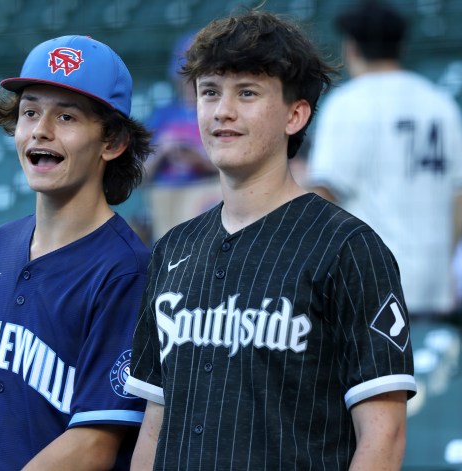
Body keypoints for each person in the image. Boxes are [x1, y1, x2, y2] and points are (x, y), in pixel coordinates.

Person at [125, 9, 416, 471]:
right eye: (210, 92)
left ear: (295, 114)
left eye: (247, 92)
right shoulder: (172, 249)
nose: (223, 111)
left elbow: (384, 435)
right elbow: (155, 424)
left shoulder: (350, 247)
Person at [0, 35, 151, 470]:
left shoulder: (125, 270)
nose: (41, 129)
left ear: (112, 142)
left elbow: (95, 442)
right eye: (30, 112)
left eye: (67, 116)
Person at [308, 0, 462, 320]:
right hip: (433, 285)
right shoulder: (439, 102)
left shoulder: (347, 103)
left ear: (351, 47)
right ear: (400, 46)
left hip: (372, 288)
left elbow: (324, 194)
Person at [142, 31, 221, 243]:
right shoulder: (162, 115)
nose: (189, 83)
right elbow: (140, 175)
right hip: (167, 203)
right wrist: (162, 151)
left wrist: (200, 161)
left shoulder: (221, 113)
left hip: (211, 204)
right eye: (185, 76)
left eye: (195, 77)